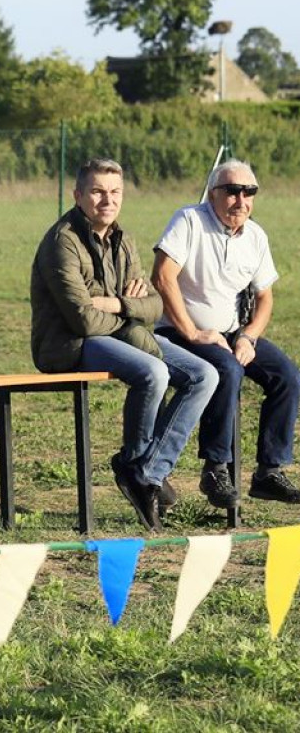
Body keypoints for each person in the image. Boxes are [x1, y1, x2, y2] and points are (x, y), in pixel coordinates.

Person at [30, 158, 217, 531]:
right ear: (78, 194)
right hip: (70, 344)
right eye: (98, 191)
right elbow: (81, 319)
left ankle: (146, 472)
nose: (107, 200)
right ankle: (137, 464)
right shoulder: (61, 242)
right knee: (152, 370)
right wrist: (131, 313)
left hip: (119, 334)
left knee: (205, 374)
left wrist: (117, 304)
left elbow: (155, 304)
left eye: (114, 192)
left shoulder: (123, 239)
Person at [153, 158, 300, 508]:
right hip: (181, 333)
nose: (241, 200)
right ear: (213, 193)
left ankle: (268, 471)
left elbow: (265, 296)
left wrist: (249, 336)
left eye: (249, 192)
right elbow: (163, 276)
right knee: (228, 370)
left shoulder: (256, 235)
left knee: (288, 377)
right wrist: (191, 331)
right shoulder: (189, 220)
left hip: (234, 334)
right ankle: (216, 468)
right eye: (232, 191)